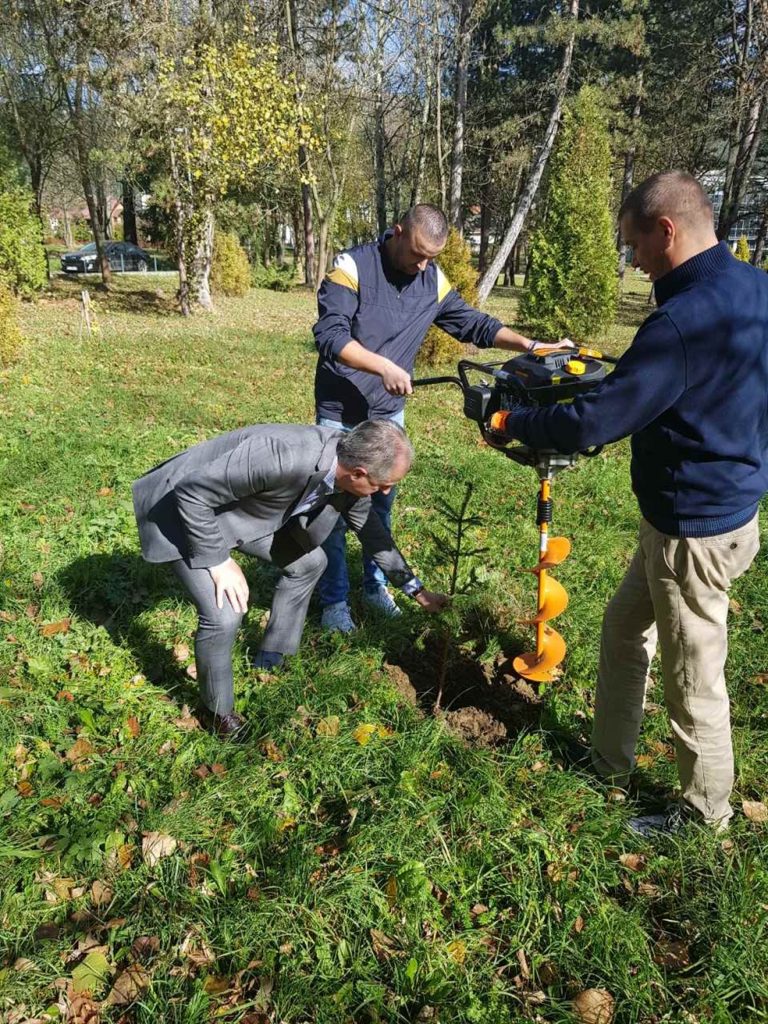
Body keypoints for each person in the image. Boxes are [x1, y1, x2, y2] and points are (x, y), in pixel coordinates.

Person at [495, 170, 768, 834]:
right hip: (719, 512)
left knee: (694, 680)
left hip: (691, 531)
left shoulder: (682, 320)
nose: (635, 261)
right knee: (622, 629)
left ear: (666, 231)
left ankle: (704, 817)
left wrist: (513, 425)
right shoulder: (754, 288)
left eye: (635, 245)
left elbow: (598, 420)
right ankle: (607, 762)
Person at [313, 203, 572, 634]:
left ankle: (377, 587)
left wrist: (530, 345)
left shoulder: (430, 279)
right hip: (340, 414)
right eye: (416, 253)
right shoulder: (352, 267)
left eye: (431, 257)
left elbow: (472, 324)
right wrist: (382, 366)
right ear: (396, 232)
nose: (422, 264)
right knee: (334, 513)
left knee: (380, 504)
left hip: (388, 415)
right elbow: (330, 335)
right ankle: (334, 602)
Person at [132, 420, 448, 737]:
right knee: (225, 613)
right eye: (383, 485)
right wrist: (219, 561)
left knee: (310, 563)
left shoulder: (346, 469)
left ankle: (273, 658)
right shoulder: (284, 456)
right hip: (180, 513)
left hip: (239, 513)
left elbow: (374, 535)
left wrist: (417, 592)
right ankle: (219, 714)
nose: (386, 491)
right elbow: (191, 493)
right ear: (358, 473)